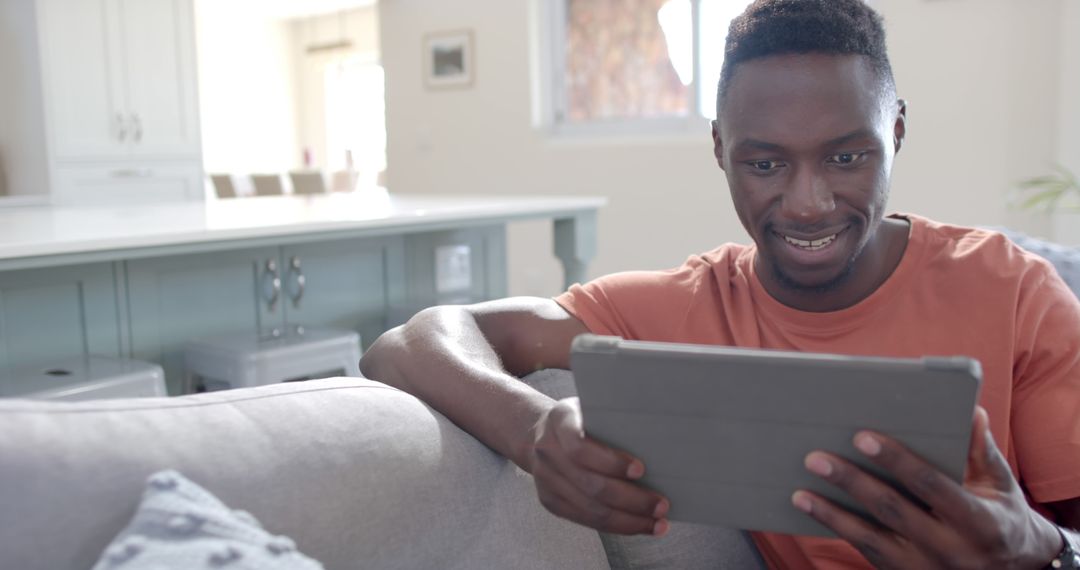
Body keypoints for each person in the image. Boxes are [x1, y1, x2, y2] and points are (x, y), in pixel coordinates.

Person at [360, 0, 1080, 567]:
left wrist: (1040, 551)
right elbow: (407, 343)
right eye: (765, 164)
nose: (807, 203)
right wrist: (533, 428)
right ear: (720, 150)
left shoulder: (1013, 291)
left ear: (894, 131)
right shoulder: (682, 307)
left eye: (846, 157)